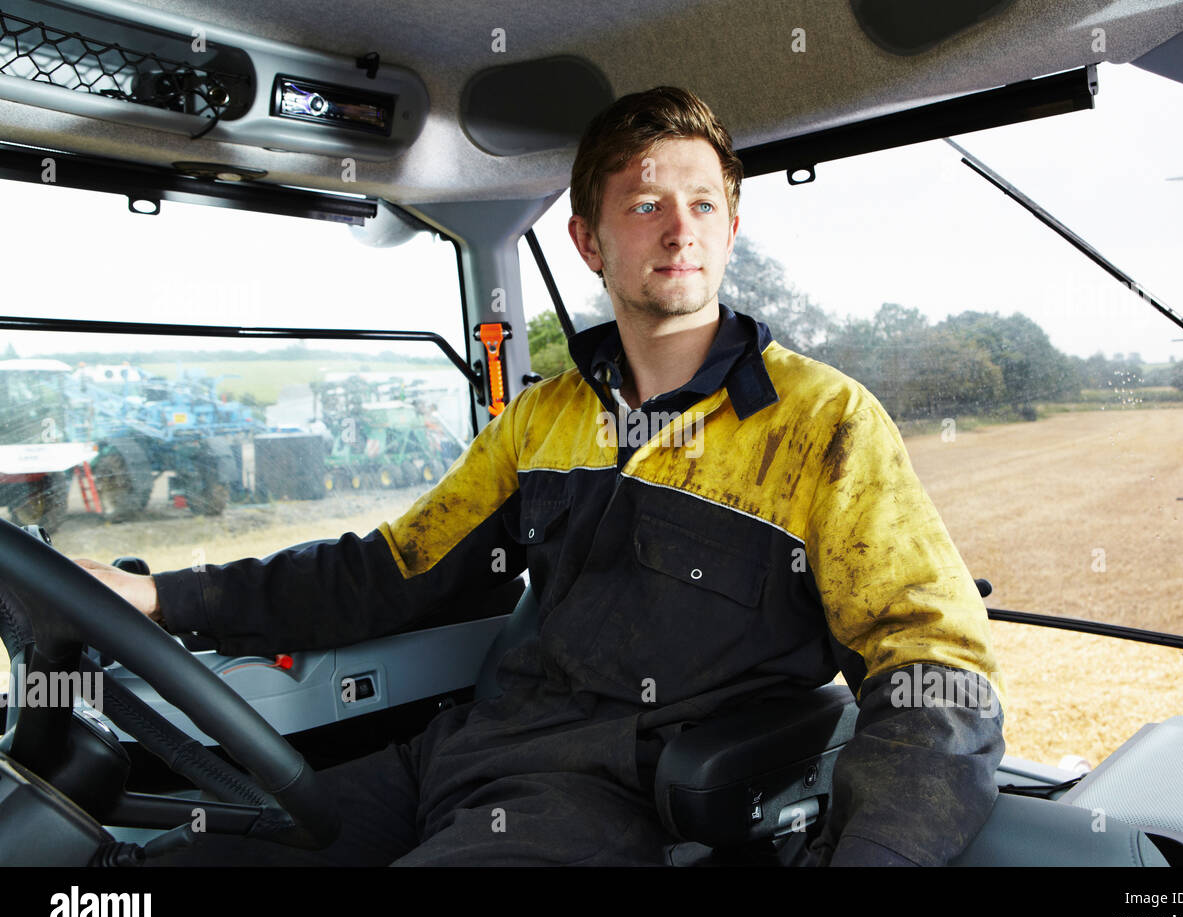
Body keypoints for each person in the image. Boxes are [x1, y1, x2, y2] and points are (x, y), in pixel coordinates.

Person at [78, 86, 1004, 866]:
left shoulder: (819, 424)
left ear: (730, 226)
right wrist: (159, 595)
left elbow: (935, 667)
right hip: (455, 755)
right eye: (645, 205)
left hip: (608, 797)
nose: (679, 230)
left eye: (703, 204)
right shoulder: (541, 418)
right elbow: (392, 569)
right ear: (590, 242)